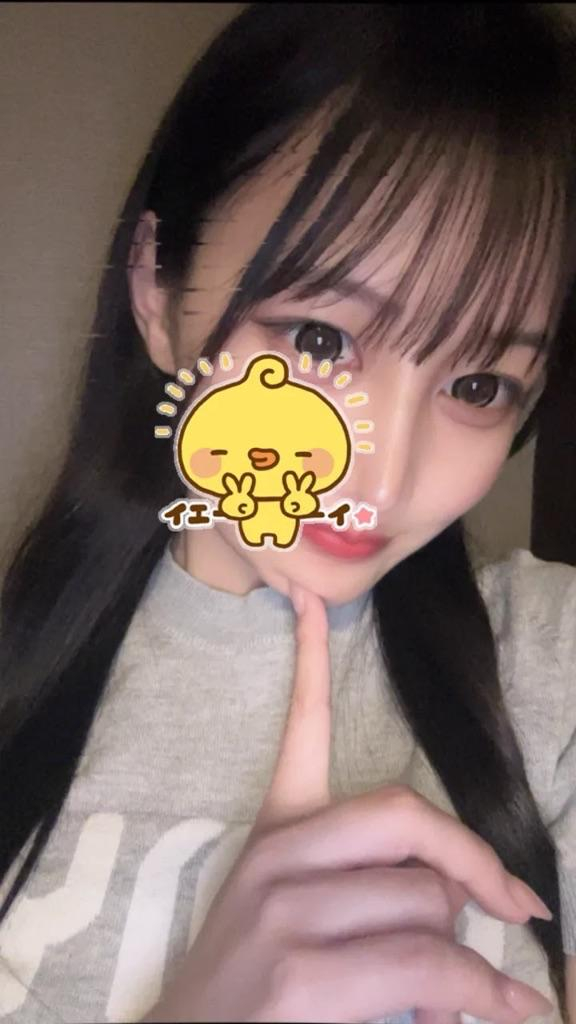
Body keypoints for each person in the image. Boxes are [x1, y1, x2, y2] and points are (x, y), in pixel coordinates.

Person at [0, 3, 575, 1022]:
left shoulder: (550, 659)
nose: (381, 479)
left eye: (479, 385)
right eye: (318, 339)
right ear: (156, 288)